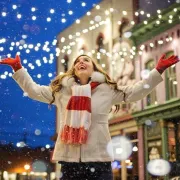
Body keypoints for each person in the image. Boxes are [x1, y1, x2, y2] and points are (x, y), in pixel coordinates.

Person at [0, 54, 179, 180]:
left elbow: (135, 92)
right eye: (77, 61)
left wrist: (158, 70)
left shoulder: (107, 90)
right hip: (70, 161)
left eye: (86, 60)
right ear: (73, 70)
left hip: (99, 160)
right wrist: (18, 68)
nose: (81, 62)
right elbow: (33, 91)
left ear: (94, 68)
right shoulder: (62, 92)